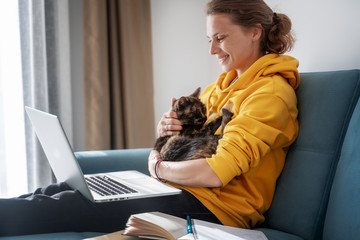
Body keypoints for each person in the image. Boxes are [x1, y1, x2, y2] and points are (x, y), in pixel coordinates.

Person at [0, 0, 299, 236]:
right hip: (183, 191)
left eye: (220, 38)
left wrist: (158, 168)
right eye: (209, 39)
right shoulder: (221, 86)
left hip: (216, 209)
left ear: (255, 32)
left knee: (68, 205)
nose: (211, 50)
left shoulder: (270, 95)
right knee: (58, 191)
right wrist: (166, 133)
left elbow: (215, 172)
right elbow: (190, 142)